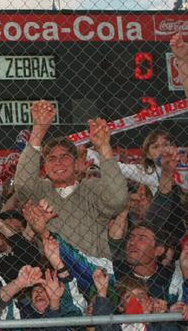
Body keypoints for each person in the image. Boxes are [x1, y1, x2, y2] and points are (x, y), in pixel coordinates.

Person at [14, 100, 128, 260]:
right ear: (45, 168)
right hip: (53, 277)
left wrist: (104, 148)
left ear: (76, 164)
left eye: (64, 157)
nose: (58, 162)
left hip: (94, 276)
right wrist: (38, 131)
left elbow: (118, 199)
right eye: (51, 158)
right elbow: (22, 184)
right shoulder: (40, 191)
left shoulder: (92, 188)